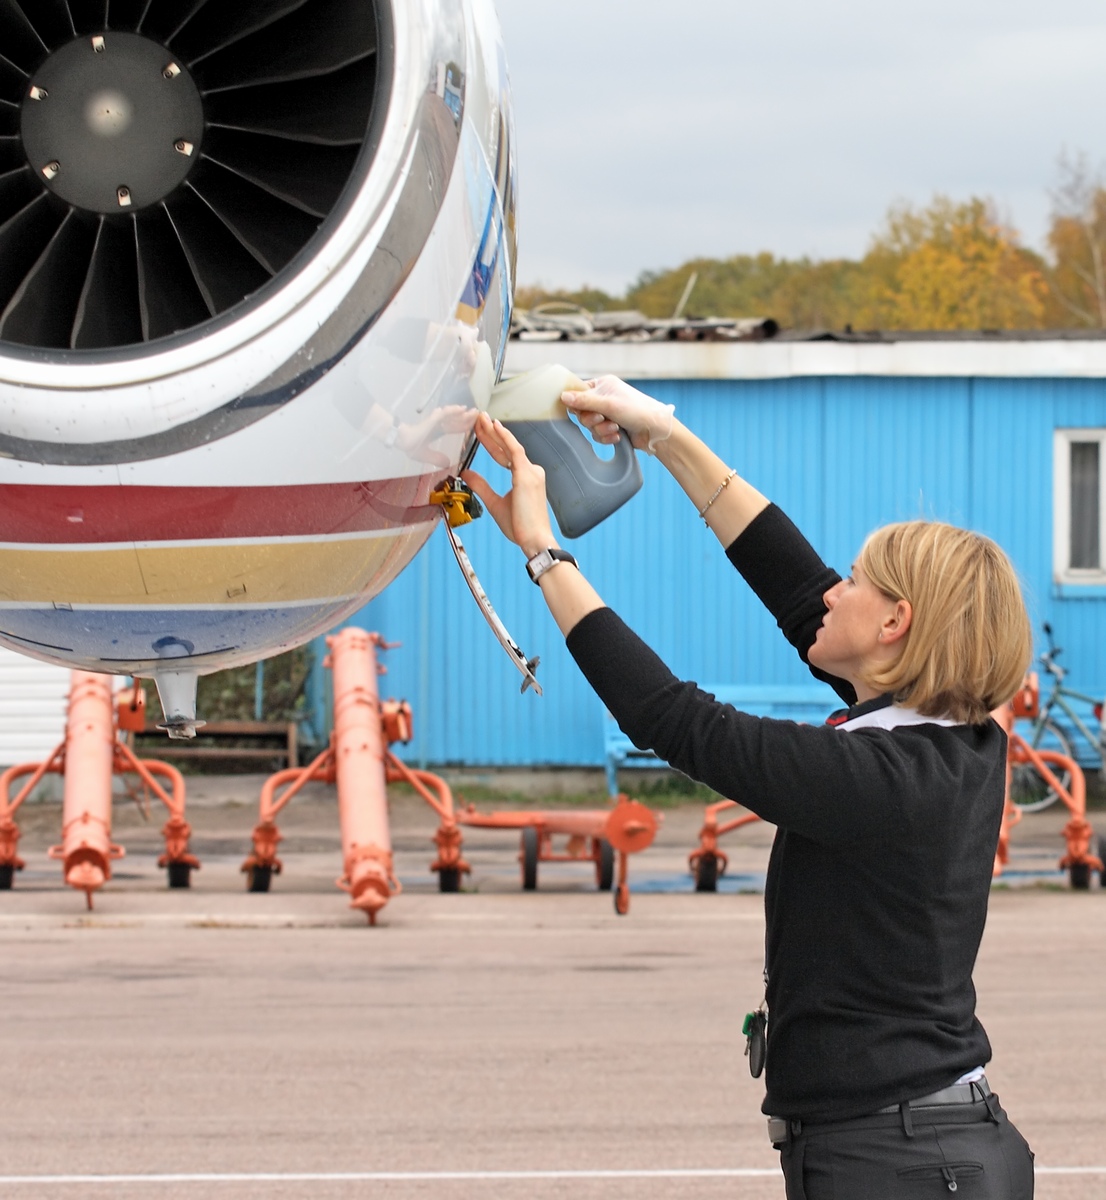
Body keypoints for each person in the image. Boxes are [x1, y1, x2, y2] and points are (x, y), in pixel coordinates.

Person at [462, 376, 1036, 1200]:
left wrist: (543, 551)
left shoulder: (887, 783)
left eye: (855, 582)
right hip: (909, 1146)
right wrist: (662, 435)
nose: (830, 589)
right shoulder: (953, 741)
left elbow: (673, 718)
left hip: (902, 1163)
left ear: (894, 624)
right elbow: (791, 581)